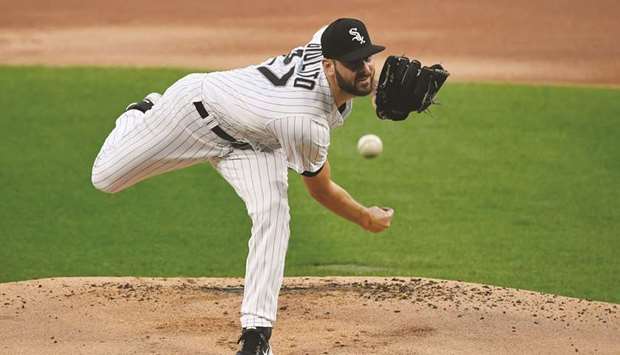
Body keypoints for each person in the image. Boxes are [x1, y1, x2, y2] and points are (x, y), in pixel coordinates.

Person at [91, 17, 394, 355]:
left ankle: (256, 337)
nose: (365, 67)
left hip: (256, 142)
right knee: (104, 178)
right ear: (327, 65)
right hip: (192, 113)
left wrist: (374, 87)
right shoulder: (303, 121)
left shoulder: (325, 42)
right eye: (354, 62)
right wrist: (365, 217)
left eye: (368, 57)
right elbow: (320, 190)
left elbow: (333, 37)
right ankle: (143, 109)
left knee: (273, 213)